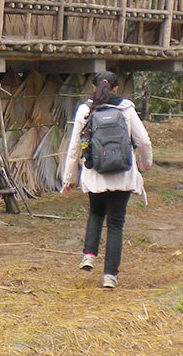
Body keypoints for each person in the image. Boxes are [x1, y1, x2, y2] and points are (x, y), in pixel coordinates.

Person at [62, 71, 152, 289]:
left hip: (96, 175)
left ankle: (89, 255)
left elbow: (76, 147)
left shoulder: (86, 110)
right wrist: (145, 162)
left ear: (92, 88)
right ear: (116, 89)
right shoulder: (126, 109)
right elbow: (144, 141)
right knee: (115, 224)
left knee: (95, 213)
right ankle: (110, 275)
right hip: (122, 174)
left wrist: (70, 178)